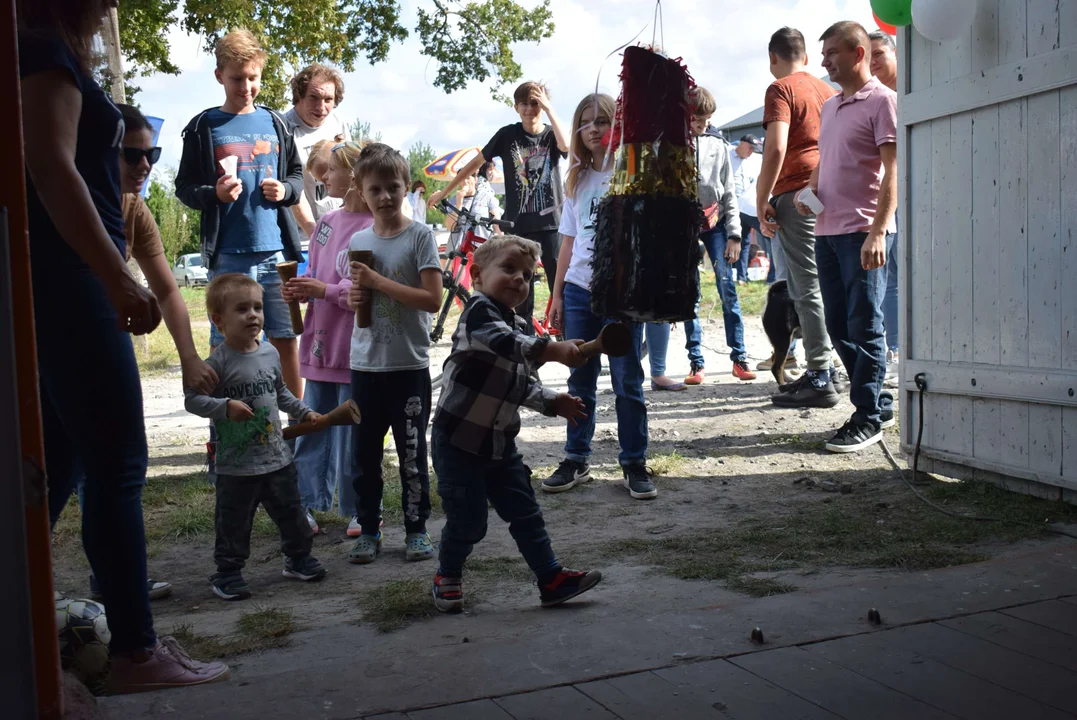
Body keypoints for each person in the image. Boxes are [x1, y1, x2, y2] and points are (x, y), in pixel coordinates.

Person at [18, 0, 228, 692]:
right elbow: (50, 166)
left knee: (61, 466)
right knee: (119, 462)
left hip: (64, 281)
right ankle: (135, 653)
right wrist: (115, 276)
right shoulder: (43, 51)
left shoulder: (55, 51)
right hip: (70, 281)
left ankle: (24, 633)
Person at [64, 104, 222, 602]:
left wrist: (190, 357)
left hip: (97, 343)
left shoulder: (134, 208)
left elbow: (170, 290)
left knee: (106, 468)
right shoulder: (71, 198)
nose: (145, 165)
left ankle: (115, 585)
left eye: (150, 153)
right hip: (57, 345)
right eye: (131, 154)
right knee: (69, 466)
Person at [430, 234, 601, 613]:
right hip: (458, 441)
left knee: (525, 511)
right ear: (475, 275)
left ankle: (551, 578)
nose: (519, 280)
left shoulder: (520, 324)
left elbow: (522, 383)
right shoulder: (477, 314)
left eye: (528, 275)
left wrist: (554, 402)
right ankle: (448, 574)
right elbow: (507, 344)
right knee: (469, 521)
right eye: (508, 269)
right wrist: (554, 349)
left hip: (499, 445)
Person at [175, 29, 306, 397]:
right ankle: (228, 431)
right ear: (219, 76)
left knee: (285, 340)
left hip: (278, 255)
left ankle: (294, 431)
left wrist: (286, 191)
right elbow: (184, 188)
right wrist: (214, 194)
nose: (246, 86)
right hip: (229, 257)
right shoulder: (203, 127)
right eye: (237, 78)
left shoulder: (277, 124)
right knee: (226, 348)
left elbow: (296, 174)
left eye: (253, 78)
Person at [185, 274, 328, 599]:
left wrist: (303, 411)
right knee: (233, 522)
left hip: (277, 458)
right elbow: (192, 399)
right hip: (237, 466)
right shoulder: (216, 363)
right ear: (218, 320)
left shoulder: (269, 353)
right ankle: (228, 573)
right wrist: (224, 406)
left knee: (292, 513)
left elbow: (280, 392)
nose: (253, 315)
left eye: (258, 308)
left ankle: (298, 558)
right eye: (242, 309)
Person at [542, 94, 655, 499]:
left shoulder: (632, 172)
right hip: (577, 289)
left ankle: (634, 462)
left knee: (628, 380)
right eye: (586, 122)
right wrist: (556, 294)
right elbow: (567, 241)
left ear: (618, 125)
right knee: (579, 377)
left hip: (622, 291)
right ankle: (576, 458)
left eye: (603, 121)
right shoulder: (575, 178)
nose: (594, 129)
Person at [801, 21, 898, 453]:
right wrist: (811, 193)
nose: (824, 62)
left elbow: (894, 170)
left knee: (865, 323)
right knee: (839, 324)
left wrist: (878, 231)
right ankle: (876, 398)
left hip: (862, 232)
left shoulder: (883, 102)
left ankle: (868, 417)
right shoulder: (831, 105)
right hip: (826, 230)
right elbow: (826, 163)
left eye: (831, 53)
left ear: (858, 54)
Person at [346, 144, 443, 564]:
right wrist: (356, 295)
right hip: (365, 366)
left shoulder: (419, 236)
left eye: (393, 187)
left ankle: (417, 529)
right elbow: (355, 296)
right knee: (364, 456)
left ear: (407, 186)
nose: (385, 196)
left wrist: (378, 283)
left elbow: (432, 300)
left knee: (411, 454)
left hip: (407, 366)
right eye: (375, 189)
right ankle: (368, 529)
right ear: (361, 192)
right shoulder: (358, 240)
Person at [282, 141, 373, 537]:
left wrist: (324, 291)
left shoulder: (374, 228)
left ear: (353, 176)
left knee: (355, 434)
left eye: (329, 171)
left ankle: (361, 508)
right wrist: (300, 291)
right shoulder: (325, 224)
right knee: (311, 427)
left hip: (354, 350)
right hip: (318, 348)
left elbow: (364, 294)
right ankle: (306, 504)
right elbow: (315, 275)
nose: (322, 178)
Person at [429, 81, 569, 333]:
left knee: (561, 293)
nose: (530, 108)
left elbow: (567, 147)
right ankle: (525, 356)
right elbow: (475, 163)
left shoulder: (551, 135)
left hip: (552, 225)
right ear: (516, 107)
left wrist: (549, 109)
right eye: (524, 103)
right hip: (518, 226)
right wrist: (446, 191)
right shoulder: (508, 135)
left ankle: (573, 349)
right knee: (519, 295)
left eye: (535, 102)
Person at [757, 27, 841, 409]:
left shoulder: (781, 89)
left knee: (806, 285)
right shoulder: (828, 90)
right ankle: (826, 368)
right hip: (831, 190)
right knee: (826, 281)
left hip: (797, 192)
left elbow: (775, 147)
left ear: (773, 58)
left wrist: (762, 199)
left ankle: (821, 373)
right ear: (806, 56)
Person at [678, 87, 756, 387]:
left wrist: (735, 234)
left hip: (718, 225)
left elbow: (729, 193)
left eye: (707, 120)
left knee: (728, 288)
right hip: (684, 227)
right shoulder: (674, 144)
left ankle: (739, 356)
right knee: (690, 294)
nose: (703, 125)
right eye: (698, 120)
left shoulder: (719, 145)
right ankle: (696, 362)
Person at [870, 30, 901, 388]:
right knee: (891, 277)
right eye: (870, 56)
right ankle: (892, 351)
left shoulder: (908, 93)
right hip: (888, 199)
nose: (875, 62)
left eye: (880, 54)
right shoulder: (874, 98)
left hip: (921, 195)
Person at [284, 63, 348, 236]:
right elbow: (290, 185)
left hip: (339, 230)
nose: (321, 107)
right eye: (314, 97)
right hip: (302, 237)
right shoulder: (283, 129)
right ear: (300, 96)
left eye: (328, 99)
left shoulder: (338, 124)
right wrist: (315, 234)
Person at [730, 135, 764, 283]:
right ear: (742, 144)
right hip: (732, 208)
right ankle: (740, 277)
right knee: (738, 242)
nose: (751, 152)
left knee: (753, 241)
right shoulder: (727, 154)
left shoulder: (756, 159)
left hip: (750, 207)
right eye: (750, 148)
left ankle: (771, 275)